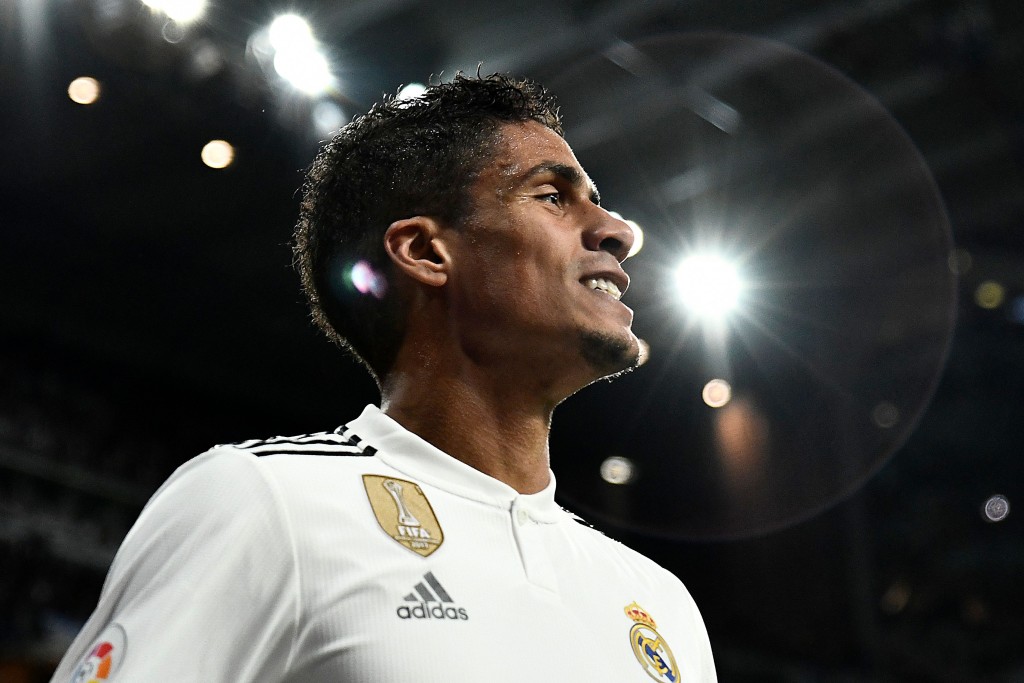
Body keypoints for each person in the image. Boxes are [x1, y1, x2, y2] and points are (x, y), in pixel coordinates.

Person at [51, 73, 716, 682]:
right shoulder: (267, 503)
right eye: (552, 195)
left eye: (597, 202)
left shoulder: (660, 605)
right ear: (428, 252)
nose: (616, 230)